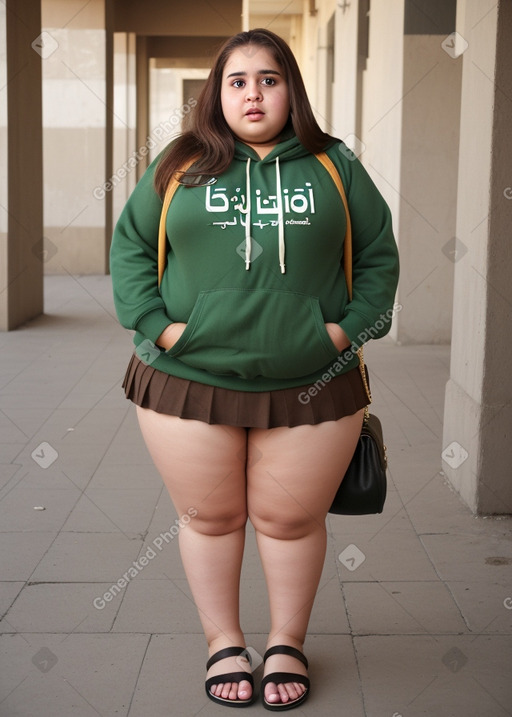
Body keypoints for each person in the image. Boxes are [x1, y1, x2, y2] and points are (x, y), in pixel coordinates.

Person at [110, 27, 399, 711]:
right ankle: (223, 642)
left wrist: (342, 331)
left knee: (290, 520)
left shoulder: (335, 164)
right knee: (210, 518)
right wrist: (161, 327)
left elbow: (380, 257)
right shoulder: (178, 163)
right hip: (188, 380)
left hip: (314, 384)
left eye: (269, 78)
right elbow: (129, 250)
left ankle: (287, 641)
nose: (253, 93)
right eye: (237, 80)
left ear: (290, 88)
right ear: (218, 92)